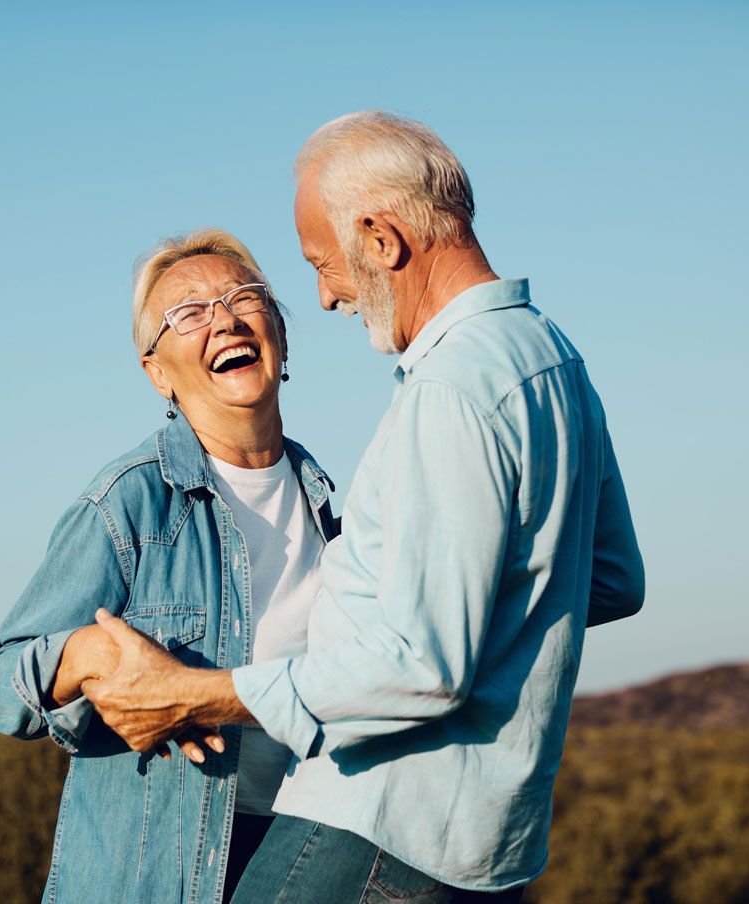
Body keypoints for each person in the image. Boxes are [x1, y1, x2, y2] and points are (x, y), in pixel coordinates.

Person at [81, 111, 646, 902]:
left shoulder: (449, 392)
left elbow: (422, 666)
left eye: (323, 263)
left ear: (382, 240)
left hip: (376, 828)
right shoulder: (552, 358)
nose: (324, 296)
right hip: (491, 847)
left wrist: (195, 693)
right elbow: (614, 579)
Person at [0, 229, 340, 903]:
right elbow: (0, 684)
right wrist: (85, 654)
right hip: (157, 879)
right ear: (157, 372)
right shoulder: (131, 501)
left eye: (244, 298)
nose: (225, 319)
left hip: (298, 856)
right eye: (189, 313)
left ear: (281, 335)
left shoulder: (330, 505)